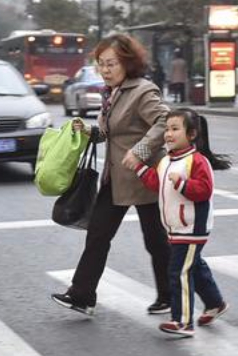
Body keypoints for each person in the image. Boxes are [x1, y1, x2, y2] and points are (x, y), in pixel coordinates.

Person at [51, 34, 172, 317]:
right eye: (101, 64)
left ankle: (170, 295)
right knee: (97, 235)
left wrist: (141, 150)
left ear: (128, 63)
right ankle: (82, 295)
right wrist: (90, 132)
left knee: (155, 240)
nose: (105, 70)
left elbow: (166, 119)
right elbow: (111, 132)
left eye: (111, 64)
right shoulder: (113, 92)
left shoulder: (142, 91)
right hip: (115, 179)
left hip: (144, 178)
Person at [135, 109, 232, 337]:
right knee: (194, 266)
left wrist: (182, 185)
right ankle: (215, 303)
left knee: (178, 272)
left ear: (192, 134)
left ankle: (182, 321)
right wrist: (139, 169)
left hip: (191, 228)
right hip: (176, 227)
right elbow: (156, 184)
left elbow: (204, 191)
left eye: (175, 129)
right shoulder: (166, 160)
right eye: (167, 129)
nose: (168, 134)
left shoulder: (197, 161)